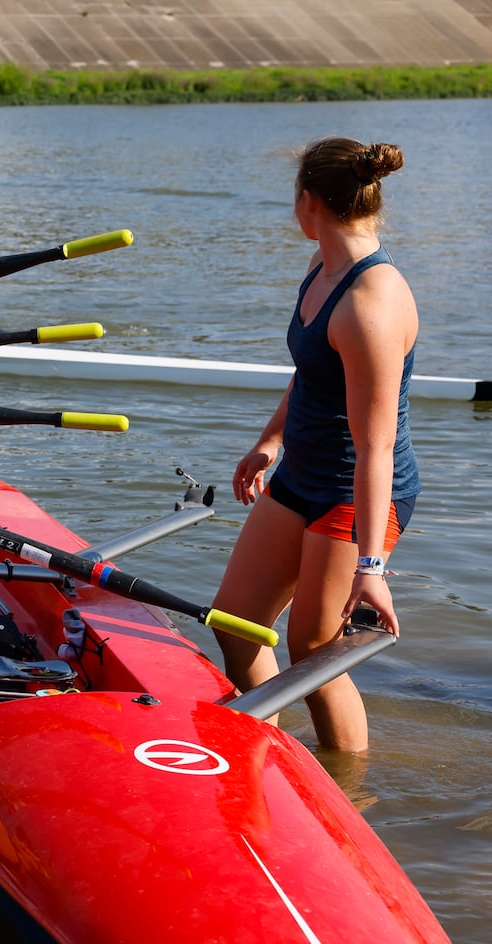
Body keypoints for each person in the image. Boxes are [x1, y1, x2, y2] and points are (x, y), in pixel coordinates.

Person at [211, 137, 419, 753]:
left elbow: (375, 448)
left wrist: (371, 567)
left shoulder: (369, 304)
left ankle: (350, 792)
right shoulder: (321, 268)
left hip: (355, 495)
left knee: (314, 654)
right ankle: (261, 756)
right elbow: (312, 371)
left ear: (309, 202)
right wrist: (269, 441)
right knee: (239, 623)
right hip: (302, 473)